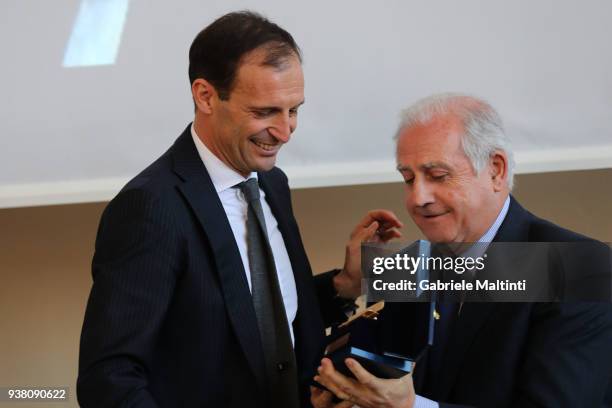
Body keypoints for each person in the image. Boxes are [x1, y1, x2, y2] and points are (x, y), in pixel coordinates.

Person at [76, 11, 401, 408]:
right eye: (264, 112)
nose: (284, 132)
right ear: (206, 95)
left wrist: (343, 286)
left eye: (293, 110)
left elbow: (254, 321)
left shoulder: (271, 183)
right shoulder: (150, 206)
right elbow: (108, 379)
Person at [313, 93, 612, 407]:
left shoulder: (579, 269)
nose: (417, 198)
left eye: (438, 176)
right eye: (408, 178)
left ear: (496, 170)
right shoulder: (417, 264)